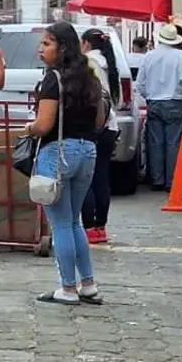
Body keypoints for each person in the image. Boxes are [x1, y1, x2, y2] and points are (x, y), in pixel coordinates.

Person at [25, 21, 105, 306]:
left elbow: (45, 124)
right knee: (74, 221)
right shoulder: (89, 77)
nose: (41, 49)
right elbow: (99, 119)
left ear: (62, 46)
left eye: (46, 43)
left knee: (60, 224)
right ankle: (88, 284)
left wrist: (29, 128)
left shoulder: (53, 79)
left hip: (57, 153)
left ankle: (67, 288)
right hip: (87, 151)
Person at [80, 29, 121, 245]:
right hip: (110, 126)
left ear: (86, 43)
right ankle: (100, 227)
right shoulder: (109, 64)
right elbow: (118, 100)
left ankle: (88, 227)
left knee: (85, 179)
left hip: (93, 126)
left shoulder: (86, 62)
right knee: (102, 177)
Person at [136, 24, 182, 192]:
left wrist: (149, 96)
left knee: (155, 142)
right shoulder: (181, 56)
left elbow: (140, 83)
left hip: (154, 102)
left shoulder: (149, 56)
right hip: (175, 101)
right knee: (173, 142)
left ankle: (157, 179)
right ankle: (171, 180)